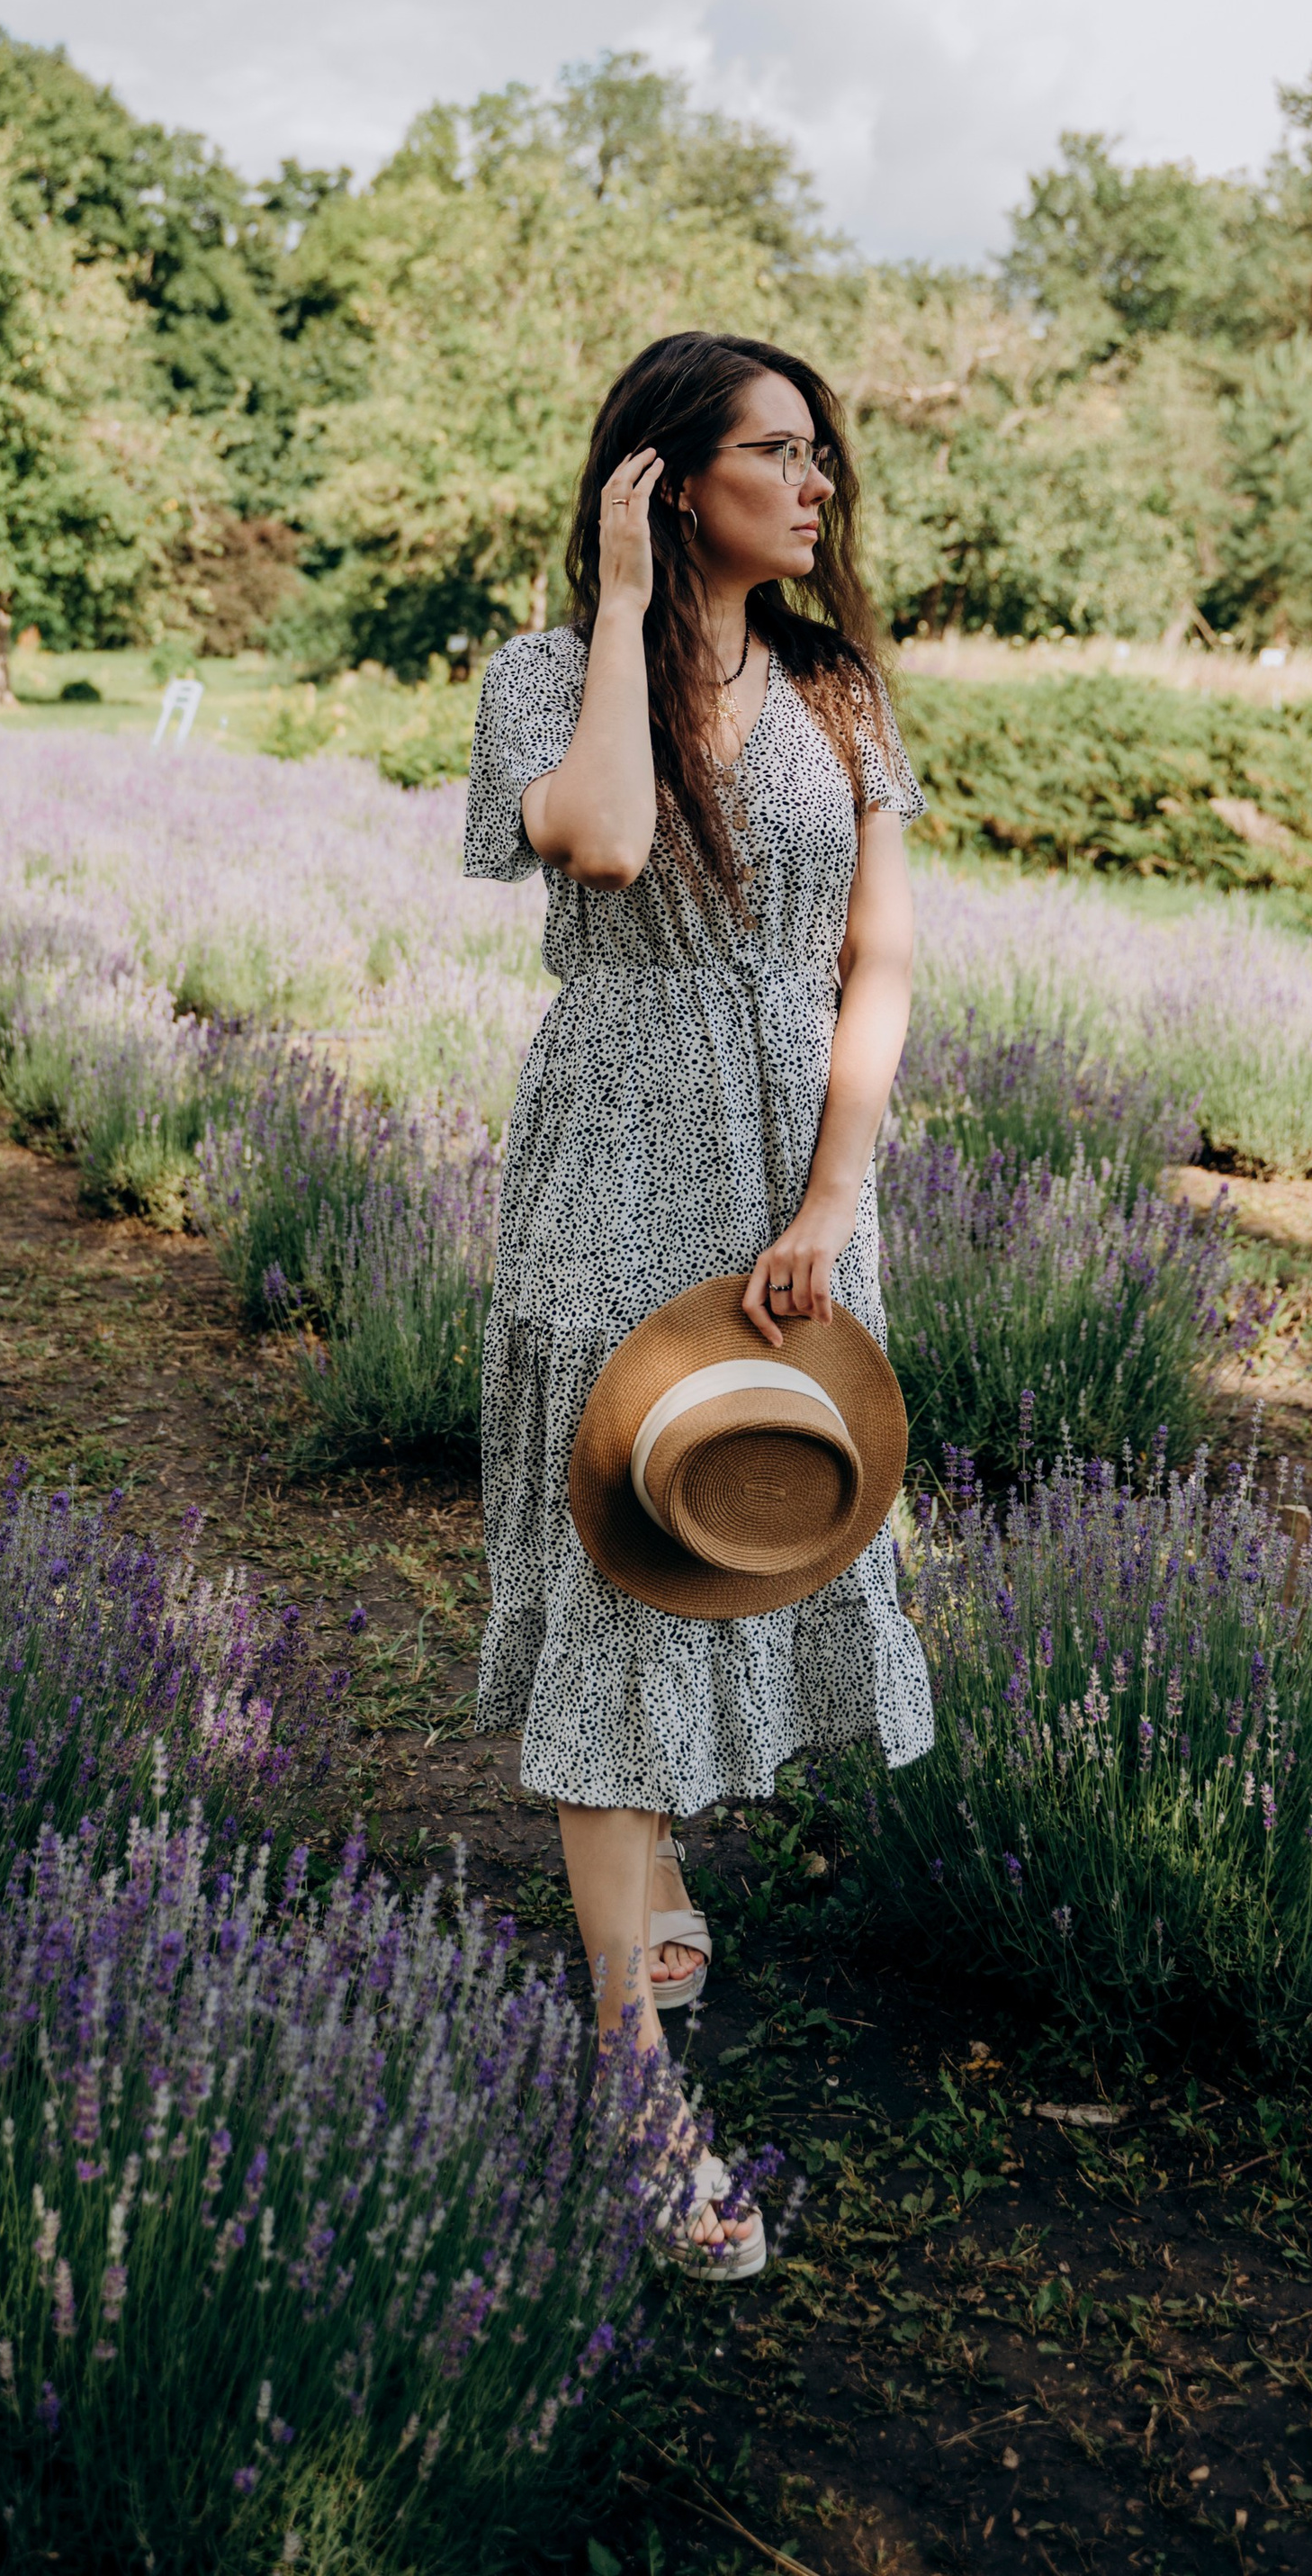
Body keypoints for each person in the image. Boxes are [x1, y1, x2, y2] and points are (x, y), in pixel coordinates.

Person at [463, 329, 936, 2274]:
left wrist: (837, 1190)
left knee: (732, 1546)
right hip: (609, 1175)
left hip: (788, 1207)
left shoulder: (837, 697)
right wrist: (622, 603)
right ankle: (634, 2094)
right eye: (771, 451)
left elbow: (877, 961)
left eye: (819, 455)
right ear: (665, 475)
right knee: (613, 1579)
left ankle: (638, 1912)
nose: (813, 484)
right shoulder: (535, 680)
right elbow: (611, 841)